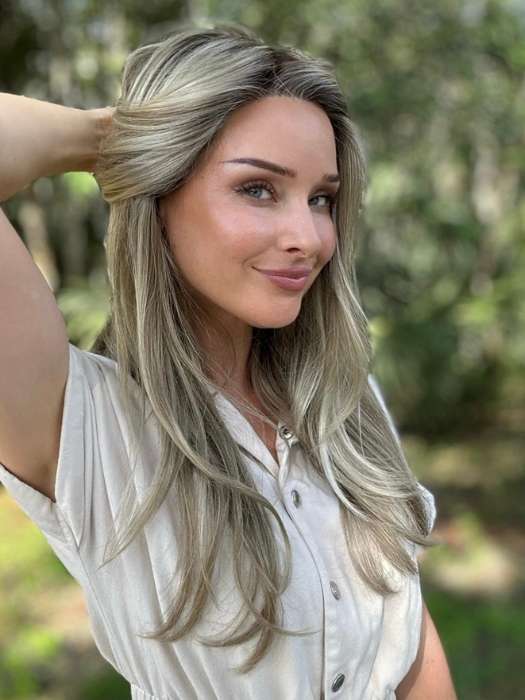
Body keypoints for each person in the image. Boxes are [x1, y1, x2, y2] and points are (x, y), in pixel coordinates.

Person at [0, 20, 457, 700]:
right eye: (258, 189)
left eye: (321, 199)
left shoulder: (342, 397)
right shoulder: (81, 425)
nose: (308, 237)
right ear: (160, 197)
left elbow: (407, 634)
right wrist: (120, 139)